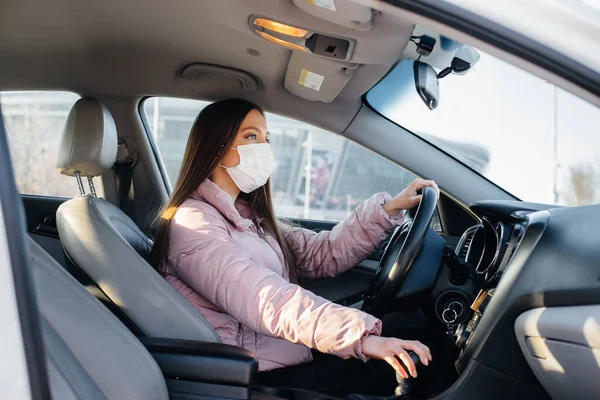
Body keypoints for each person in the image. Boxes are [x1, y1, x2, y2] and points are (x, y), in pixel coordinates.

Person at [149, 99, 440, 396]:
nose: (263, 147)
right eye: (251, 136)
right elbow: (264, 298)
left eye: (266, 138)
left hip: (284, 358)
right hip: (254, 376)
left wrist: (389, 208)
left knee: (421, 346)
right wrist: (361, 338)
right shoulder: (194, 223)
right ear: (216, 146)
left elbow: (322, 254)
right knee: (429, 367)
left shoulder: (248, 216)